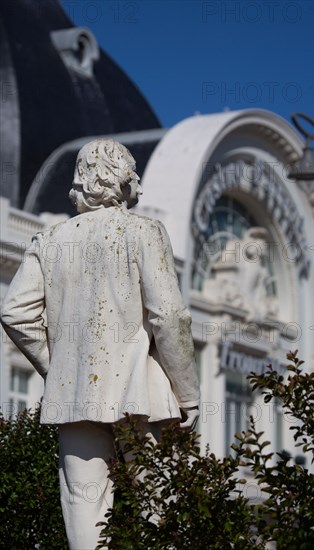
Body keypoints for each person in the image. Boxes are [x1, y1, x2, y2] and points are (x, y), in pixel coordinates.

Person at [0, 139, 200, 549]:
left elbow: (15, 313)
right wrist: (189, 393)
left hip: (75, 398)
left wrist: (58, 368)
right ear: (123, 178)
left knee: (83, 506)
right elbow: (170, 316)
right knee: (154, 507)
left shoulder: (50, 239)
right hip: (139, 395)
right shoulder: (144, 232)